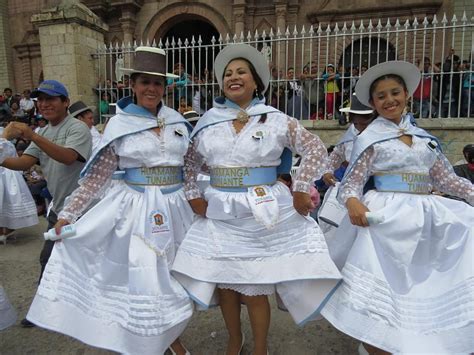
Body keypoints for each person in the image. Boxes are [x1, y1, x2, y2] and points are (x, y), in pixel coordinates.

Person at [171, 43, 341, 355]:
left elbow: (316, 148)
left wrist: (301, 187)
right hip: (220, 211)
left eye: (241, 72)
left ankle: (260, 348)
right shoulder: (209, 120)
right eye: (227, 74)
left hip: (260, 212)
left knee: (256, 286)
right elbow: (189, 162)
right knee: (225, 285)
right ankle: (235, 341)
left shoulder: (276, 119)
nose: (233, 77)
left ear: (255, 81)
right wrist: (194, 195)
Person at [24, 47, 194, 355]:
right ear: (133, 85)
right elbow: (96, 177)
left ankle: (163, 336)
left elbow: (192, 166)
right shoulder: (119, 123)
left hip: (176, 208)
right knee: (147, 279)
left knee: (174, 277)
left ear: (165, 88)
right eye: (145, 82)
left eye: (158, 83)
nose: (151, 89)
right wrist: (69, 214)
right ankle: (168, 344)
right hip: (138, 211)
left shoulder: (178, 121)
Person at [320, 60, 474, 354]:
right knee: (384, 295)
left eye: (395, 93)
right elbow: (350, 183)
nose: (389, 100)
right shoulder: (369, 139)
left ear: (406, 94)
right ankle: (379, 345)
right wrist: (353, 203)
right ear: (373, 103)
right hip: (386, 221)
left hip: (426, 219)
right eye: (381, 96)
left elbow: (447, 180)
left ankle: (418, 342)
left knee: (425, 286)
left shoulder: (424, 140)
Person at [1, 80, 92, 327]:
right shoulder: (43, 133)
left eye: (51, 99)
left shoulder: (78, 128)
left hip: (84, 210)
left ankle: (83, 309)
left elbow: (67, 157)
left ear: (65, 102)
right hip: (59, 209)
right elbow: (23, 163)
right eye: (40, 99)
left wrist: (30, 134)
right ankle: (47, 309)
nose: (44, 104)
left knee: (81, 260)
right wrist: (2, 149)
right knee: (50, 259)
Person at [0, 127, 38, 244]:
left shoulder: (3, 131)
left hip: (7, 171)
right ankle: (4, 231)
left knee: (8, 202)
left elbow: (9, 153)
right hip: (7, 172)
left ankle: (7, 230)